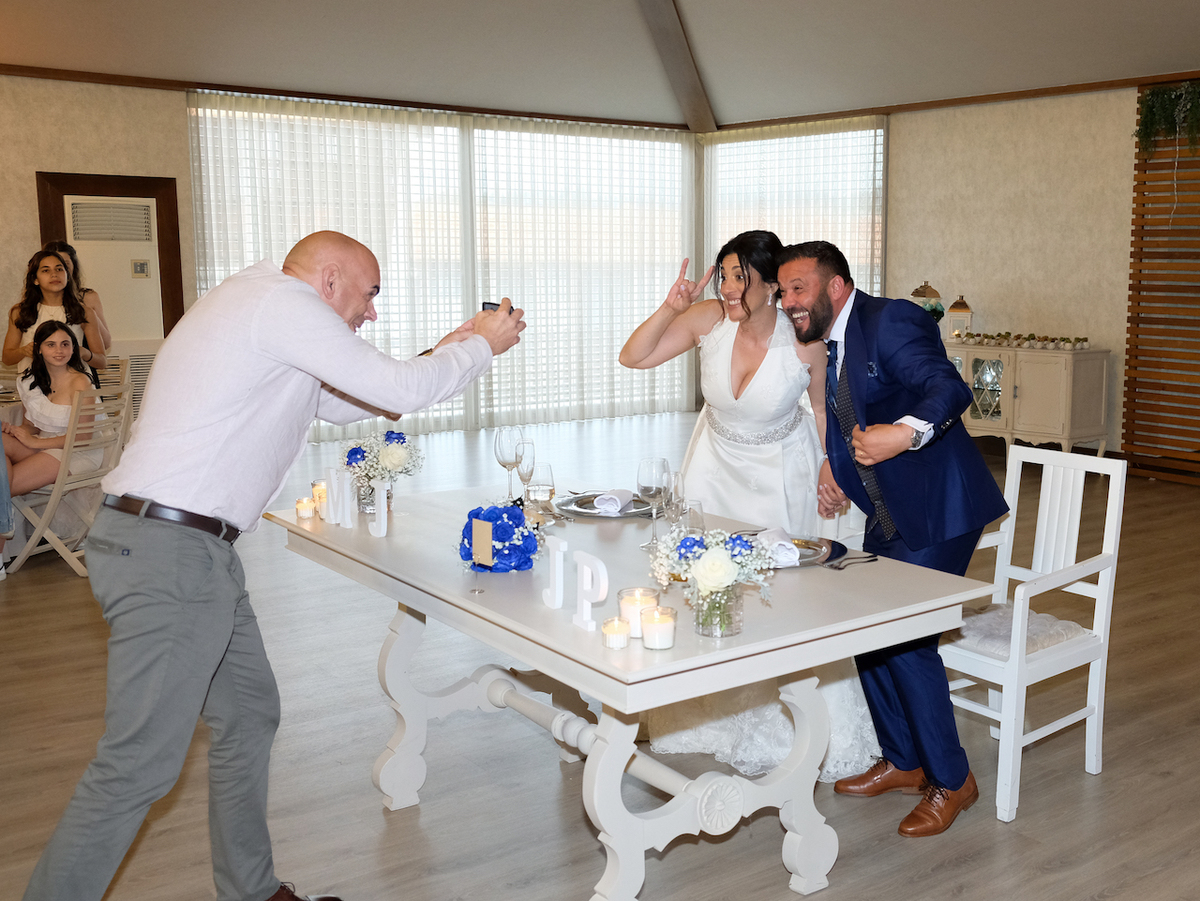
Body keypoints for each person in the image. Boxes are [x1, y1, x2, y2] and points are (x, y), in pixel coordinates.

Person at [21, 230, 526, 901]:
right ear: (329, 281)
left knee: (250, 713)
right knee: (136, 766)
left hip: (189, 549)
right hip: (170, 553)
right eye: (369, 294)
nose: (371, 312)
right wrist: (481, 346)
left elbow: (366, 399)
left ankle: (252, 890)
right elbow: (394, 386)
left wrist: (453, 344)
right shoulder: (284, 304)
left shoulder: (264, 309)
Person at [619, 230, 877, 780]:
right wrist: (671, 309)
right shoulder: (709, 320)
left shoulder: (803, 341)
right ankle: (709, 706)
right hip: (713, 472)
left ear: (770, 285)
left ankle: (794, 716)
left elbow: (823, 411)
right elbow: (633, 357)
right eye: (724, 276)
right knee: (707, 583)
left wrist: (832, 465)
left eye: (742, 277)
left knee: (782, 598)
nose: (729, 288)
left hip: (781, 476)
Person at [778, 239, 1008, 837]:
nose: (788, 301)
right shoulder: (832, 340)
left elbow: (949, 388)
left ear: (835, 287)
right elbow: (848, 411)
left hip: (940, 506)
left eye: (798, 288)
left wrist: (903, 434)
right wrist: (835, 469)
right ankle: (904, 760)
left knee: (905, 637)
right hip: (889, 510)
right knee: (866, 626)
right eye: (783, 291)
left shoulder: (890, 320)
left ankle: (953, 779)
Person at [1, 321, 101, 569]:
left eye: (65, 344)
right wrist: (17, 432)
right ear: (38, 349)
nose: (59, 350)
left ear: (73, 348)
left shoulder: (80, 382)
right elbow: (31, 426)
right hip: (44, 445)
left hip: (76, 451)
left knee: (3, 484)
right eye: (51, 344)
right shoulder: (31, 381)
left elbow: (82, 437)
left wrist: (36, 442)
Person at [4, 250, 107, 376]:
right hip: (34, 382)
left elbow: (102, 362)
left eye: (59, 269)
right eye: (46, 270)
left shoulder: (84, 312)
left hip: (74, 381)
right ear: (35, 279)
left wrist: (84, 352)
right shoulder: (20, 312)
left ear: (67, 276)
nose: (54, 275)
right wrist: (23, 351)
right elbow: (7, 358)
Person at [43, 240, 114, 352]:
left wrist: (85, 311)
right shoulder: (37, 301)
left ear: (73, 267)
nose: (57, 272)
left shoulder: (88, 297)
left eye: (64, 265)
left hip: (82, 359)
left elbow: (106, 343)